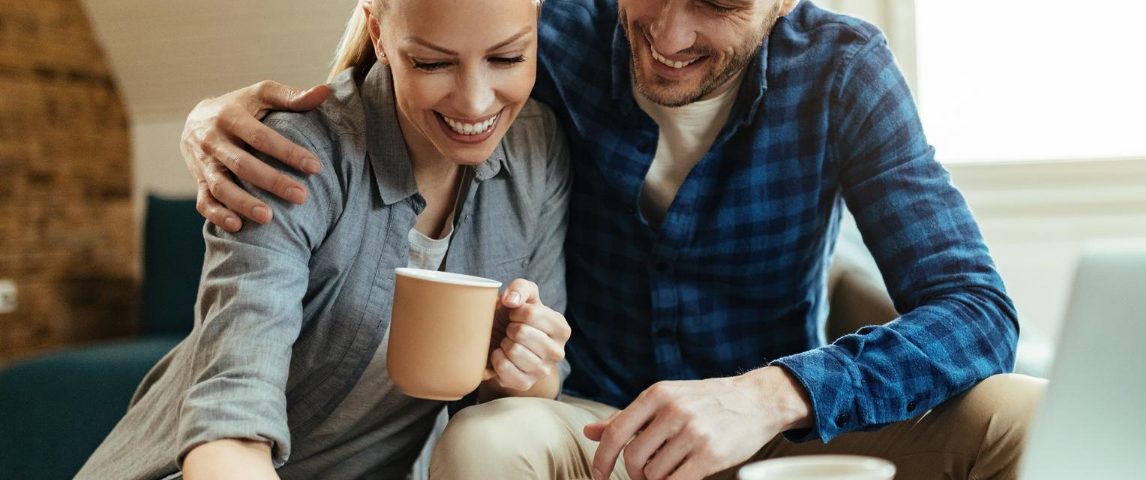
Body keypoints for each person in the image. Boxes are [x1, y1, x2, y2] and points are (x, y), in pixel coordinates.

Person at [182, 0, 1048, 478]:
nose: (668, 37)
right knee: (484, 446)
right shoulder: (544, 39)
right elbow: (407, 62)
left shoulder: (845, 70)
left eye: (717, 3)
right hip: (598, 431)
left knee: (1026, 413)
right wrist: (208, 114)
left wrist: (771, 394)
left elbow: (977, 310)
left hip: (784, 431)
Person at [78, 0, 574, 478]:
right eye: (431, 63)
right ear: (378, 35)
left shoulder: (537, 150)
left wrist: (526, 363)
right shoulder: (294, 157)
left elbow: (529, 397)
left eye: (507, 57)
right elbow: (229, 431)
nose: (475, 100)